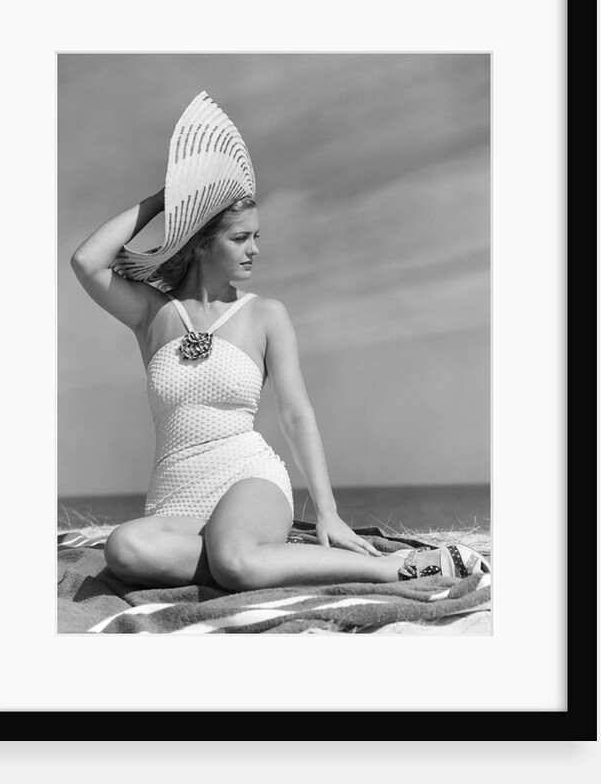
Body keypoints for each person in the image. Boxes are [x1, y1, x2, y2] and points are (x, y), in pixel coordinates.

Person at [70, 92, 490, 592]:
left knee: (234, 562)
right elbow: (87, 261)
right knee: (125, 548)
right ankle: (257, 557)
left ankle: (387, 570)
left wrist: (329, 513)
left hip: (247, 480)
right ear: (202, 243)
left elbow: (296, 414)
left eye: (256, 236)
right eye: (239, 238)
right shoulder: (154, 314)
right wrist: (170, 197)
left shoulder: (266, 315)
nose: (255, 250)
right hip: (175, 500)